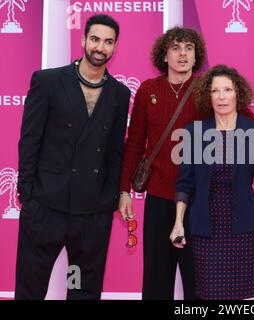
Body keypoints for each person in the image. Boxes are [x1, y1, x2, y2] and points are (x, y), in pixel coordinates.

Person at [118, 28, 254, 300]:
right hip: (159, 197)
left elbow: (249, 123)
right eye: (176, 47)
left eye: (189, 48)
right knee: (157, 277)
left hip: (200, 201)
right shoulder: (149, 90)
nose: (182, 53)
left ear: (196, 55)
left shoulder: (207, 88)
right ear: (164, 54)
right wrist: (124, 191)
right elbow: (134, 143)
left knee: (199, 280)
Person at [15, 14, 131, 300]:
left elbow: (116, 151)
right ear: (83, 40)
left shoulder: (119, 94)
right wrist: (27, 195)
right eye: (95, 39)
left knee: (80, 289)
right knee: (31, 288)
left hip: (91, 215)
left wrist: (110, 199)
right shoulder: (48, 81)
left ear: (115, 47)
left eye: (108, 42)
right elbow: (29, 141)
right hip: (46, 209)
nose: (100, 47)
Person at [169, 65, 254, 300]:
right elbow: (185, 184)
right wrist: (178, 222)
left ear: (238, 93)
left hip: (245, 226)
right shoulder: (194, 133)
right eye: (215, 91)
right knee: (209, 293)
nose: (222, 96)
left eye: (227, 90)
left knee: (241, 296)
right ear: (209, 95)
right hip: (206, 225)